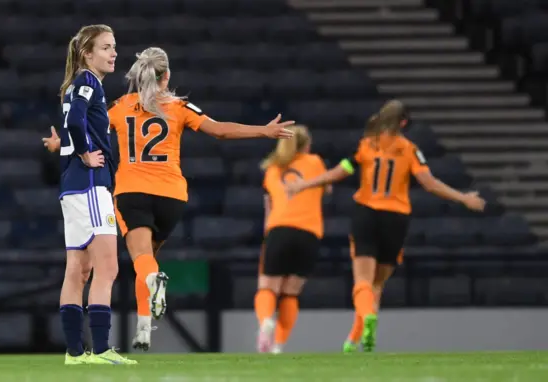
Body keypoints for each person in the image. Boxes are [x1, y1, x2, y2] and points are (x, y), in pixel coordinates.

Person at [107, 47, 295, 352]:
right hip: (171, 196)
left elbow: (88, 133)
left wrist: (59, 142)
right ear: (166, 76)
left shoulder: (120, 106)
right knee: (148, 259)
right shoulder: (180, 106)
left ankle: (149, 304)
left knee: (142, 259)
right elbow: (219, 131)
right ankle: (143, 330)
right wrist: (264, 131)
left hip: (132, 191)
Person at [285, 100, 486, 353]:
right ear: (403, 123)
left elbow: (340, 171)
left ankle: (364, 323)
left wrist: (303, 185)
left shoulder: (367, 145)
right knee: (377, 283)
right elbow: (429, 183)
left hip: (366, 213)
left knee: (362, 282)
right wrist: (463, 197)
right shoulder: (410, 149)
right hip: (396, 219)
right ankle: (356, 339)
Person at [43, 24, 136, 365]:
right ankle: (100, 349)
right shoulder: (87, 81)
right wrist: (83, 151)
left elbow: (73, 122)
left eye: (114, 47)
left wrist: (67, 148)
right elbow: (77, 122)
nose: (114, 54)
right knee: (107, 267)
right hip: (90, 182)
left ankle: (74, 353)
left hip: (72, 185)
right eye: (107, 47)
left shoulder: (76, 83)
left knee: (77, 270)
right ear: (87, 53)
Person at [255, 125, 331, 354]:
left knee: (267, 287)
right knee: (290, 293)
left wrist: (267, 238)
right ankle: (278, 344)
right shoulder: (315, 162)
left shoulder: (272, 169)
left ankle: (266, 320)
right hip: (309, 233)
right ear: (306, 145)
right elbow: (327, 189)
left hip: (279, 231)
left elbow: (268, 209)